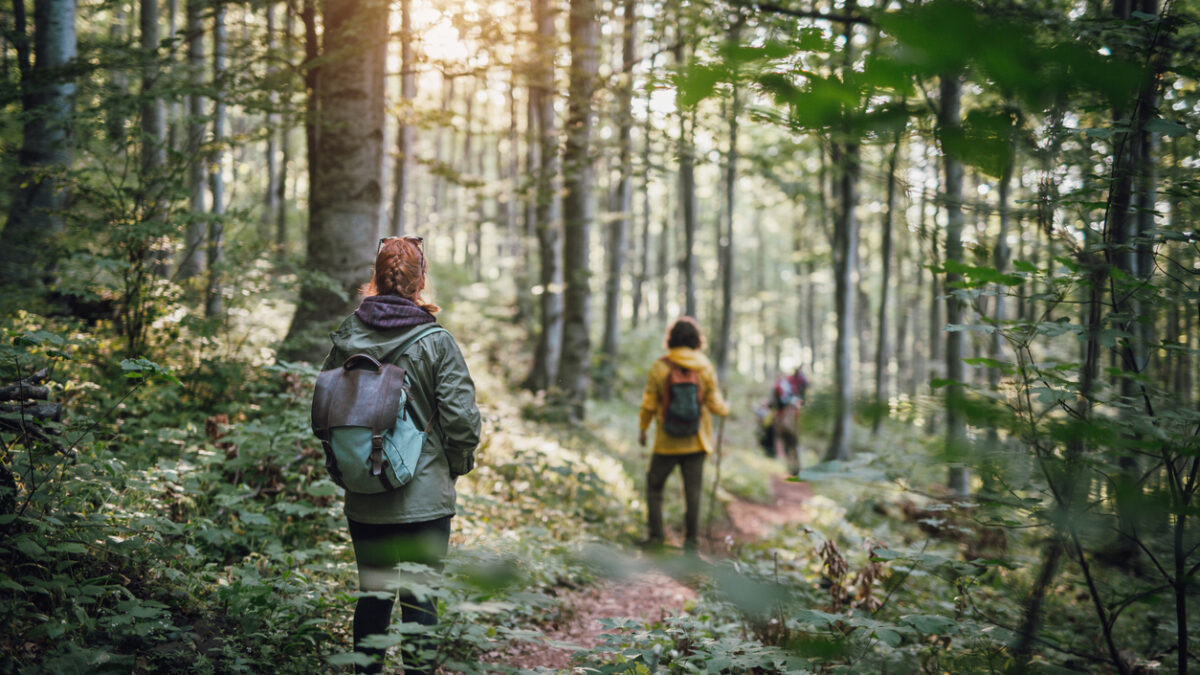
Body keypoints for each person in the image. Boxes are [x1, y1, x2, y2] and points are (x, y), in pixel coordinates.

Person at [320, 235, 481, 675]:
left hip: (364, 493)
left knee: (372, 598)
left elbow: (325, 412)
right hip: (424, 501)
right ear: (420, 281)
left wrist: (344, 466)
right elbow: (462, 422)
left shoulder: (347, 337)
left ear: (375, 277)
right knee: (420, 605)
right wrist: (456, 466)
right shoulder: (437, 342)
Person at [637, 317, 730, 554]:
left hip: (666, 442)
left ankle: (657, 538)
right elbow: (715, 404)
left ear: (671, 339)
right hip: (696, 441)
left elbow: (649, 403)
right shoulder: (704, 366)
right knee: (693, 494)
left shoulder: (660, 366)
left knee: (654, 486)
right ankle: (691, 547)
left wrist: (643, 429)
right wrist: (726, 408)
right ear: (697, 340)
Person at [770, 366, 807, 475]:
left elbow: (775, 403)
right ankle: (797, 466)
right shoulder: (796, 383)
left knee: (787, 442)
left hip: (783, 415)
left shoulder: (779, 386)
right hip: (794, 414)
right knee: (795, 443)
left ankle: (791, 466)